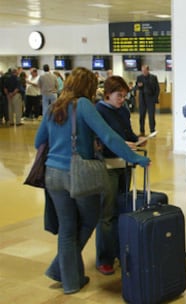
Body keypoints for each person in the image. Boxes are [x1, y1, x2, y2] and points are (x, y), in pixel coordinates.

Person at [34, 67, 150, 295]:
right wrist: (134, 158)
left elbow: (39, 140)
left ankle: (70, 280)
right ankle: (61, 269)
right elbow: (108, 135)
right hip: (78, 172)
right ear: (86, 86)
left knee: (68, 228)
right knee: (89, 220)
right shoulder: (83, 105)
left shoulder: (54, 106)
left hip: (52, 174)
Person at [94, 76, 144, 275]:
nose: (122, 99)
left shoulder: (122, 110)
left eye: (124, 95)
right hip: (108, 165)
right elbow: (103, 139)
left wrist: (138, 140)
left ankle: (118, 251)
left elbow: (127, 134)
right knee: (107, 213)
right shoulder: (98, 111)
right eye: (119, 95)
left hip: (125, 165)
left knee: (122, 209)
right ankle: (104, 257)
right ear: (108, 94)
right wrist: (123, 144)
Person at [135, 64, 160, 135]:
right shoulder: (139, 77)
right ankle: (142, 130)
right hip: (142, 99)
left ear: (148, 70)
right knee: (142, 115)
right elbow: (136, 87)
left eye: (145, 71)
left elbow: (157, 89)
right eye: (142, 71)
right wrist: (138, 86)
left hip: (151, 99)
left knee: (151, 116)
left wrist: (155, 98)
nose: (143, 72)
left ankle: (152, 130)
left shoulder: (153, 77)